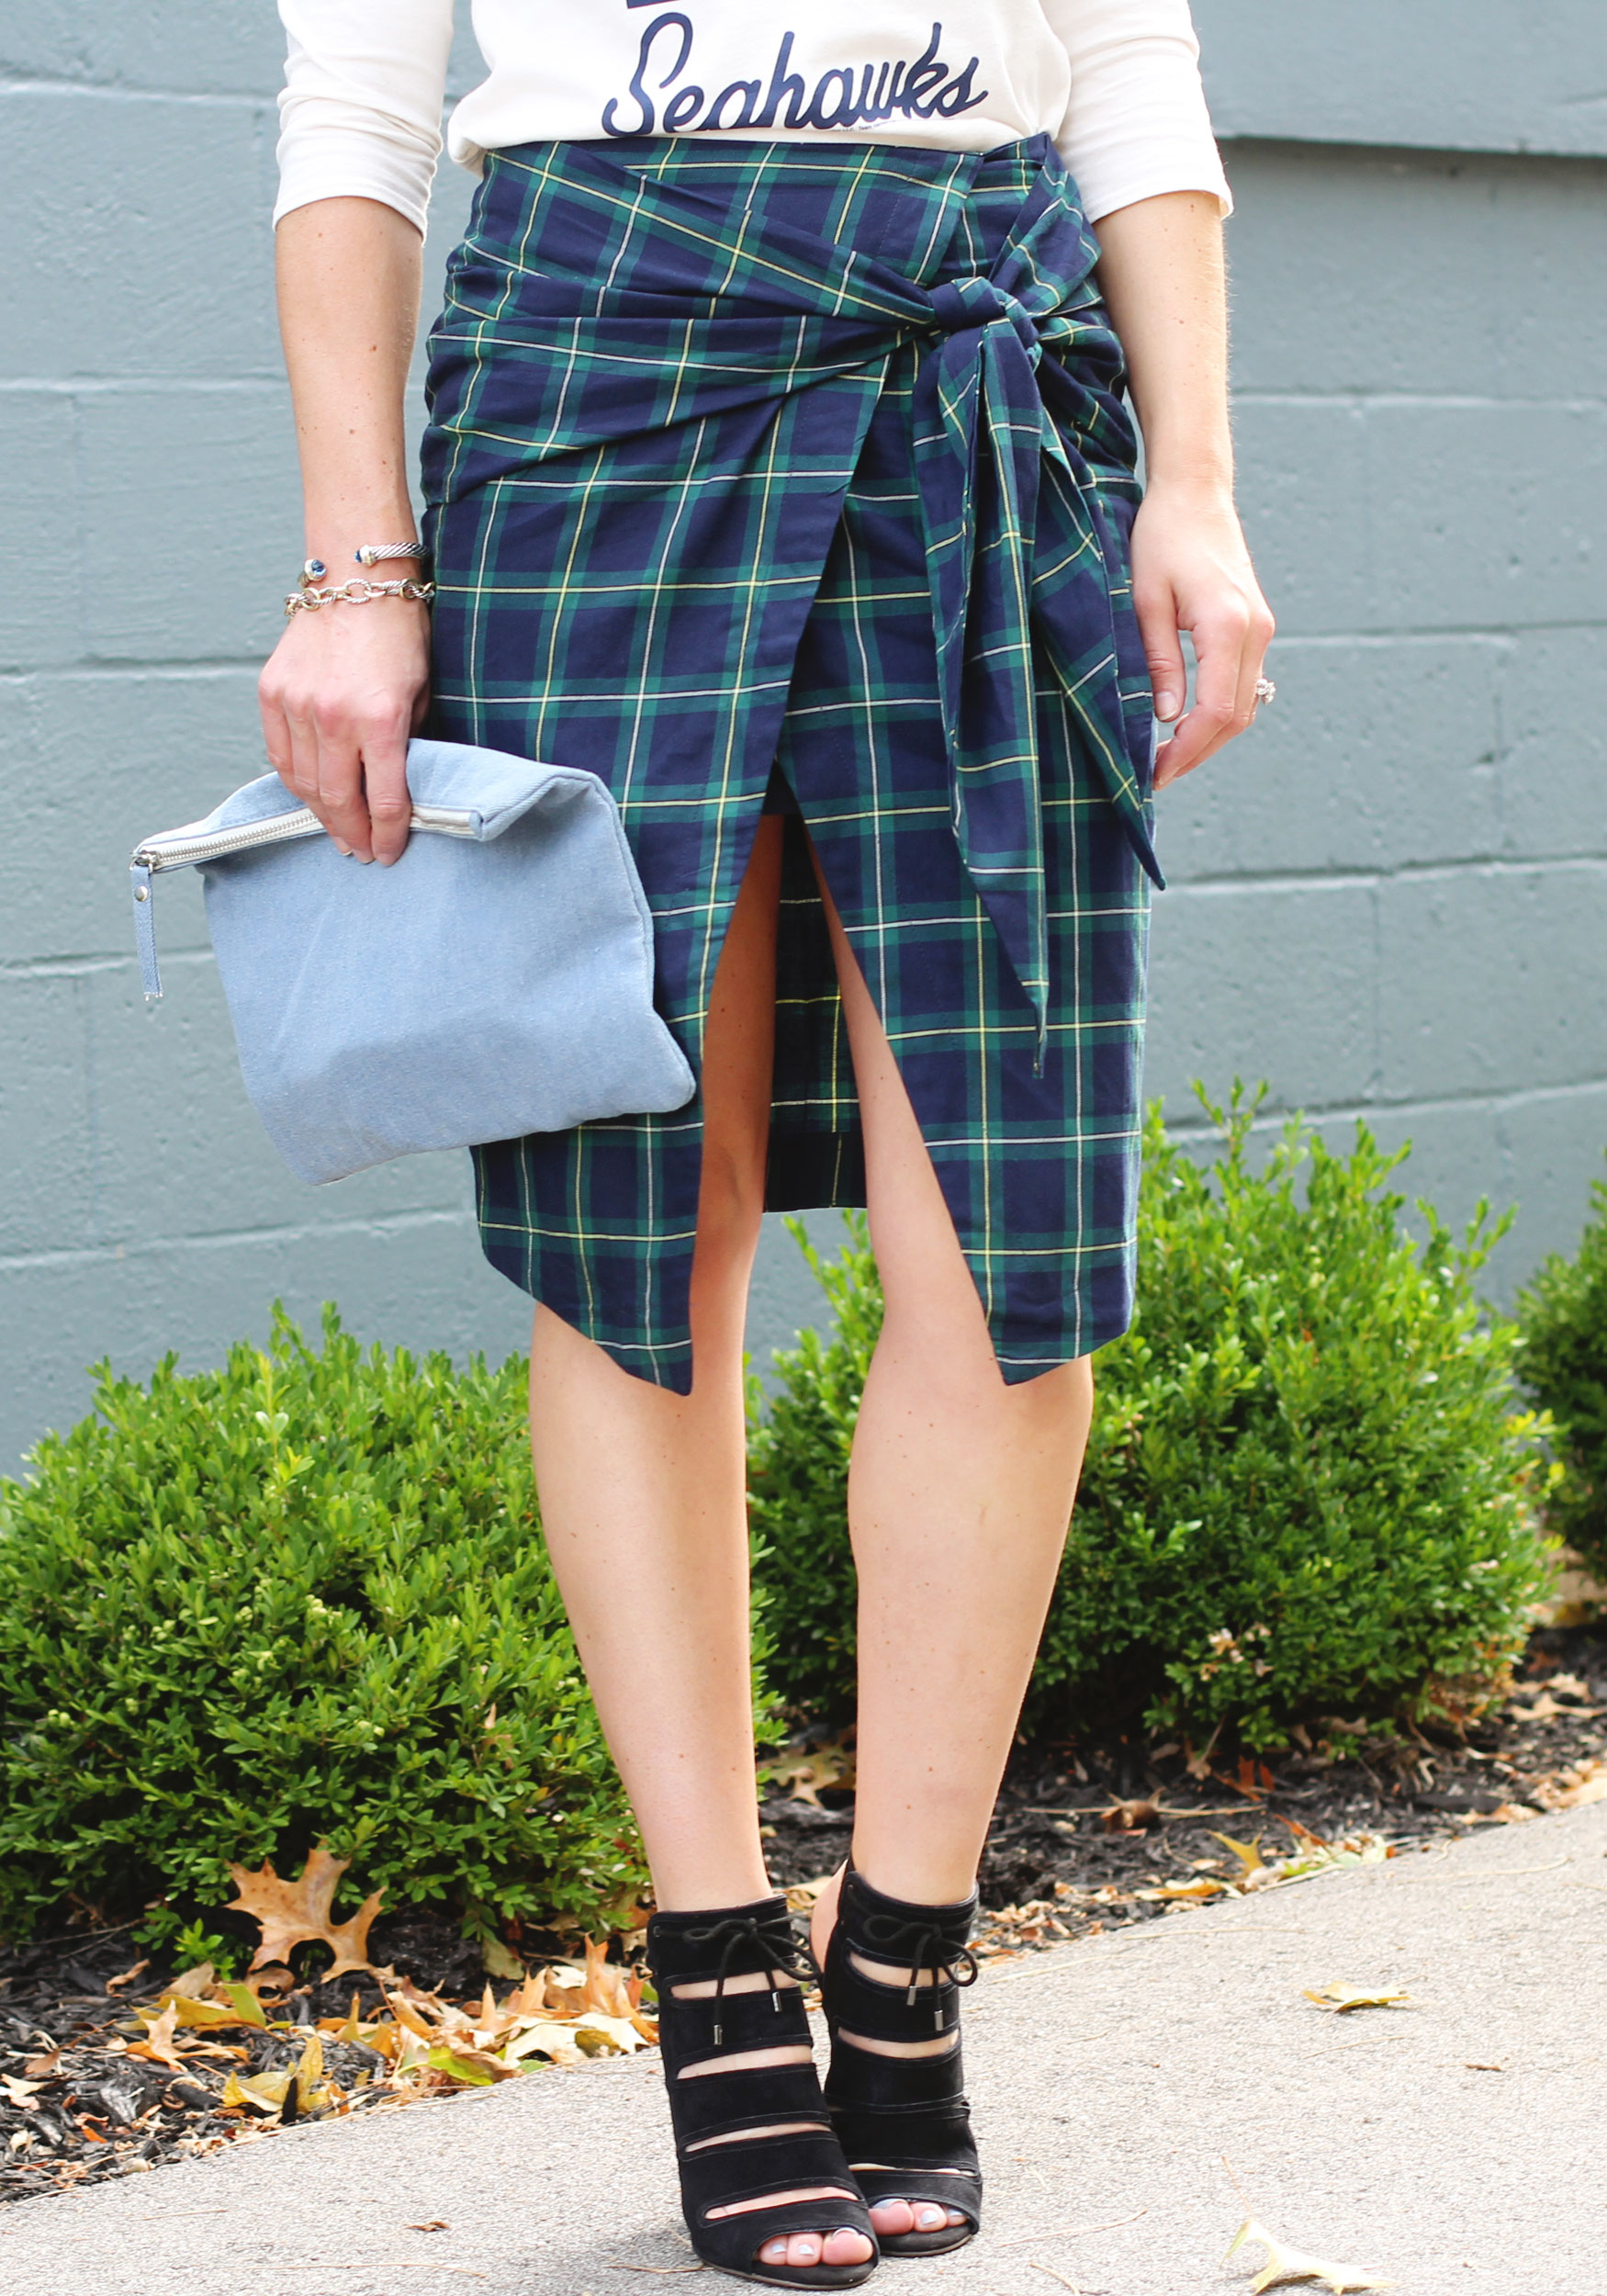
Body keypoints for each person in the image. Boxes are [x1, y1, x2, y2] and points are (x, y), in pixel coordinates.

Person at [259, 2, 1273, 2281]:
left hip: (981, 374)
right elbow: (354, 113)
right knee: (646, 1209)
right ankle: (717, 1966)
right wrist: (358, 573)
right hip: (592, 370)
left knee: (1001, 1225)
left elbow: (1125, 58)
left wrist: (1190, 479)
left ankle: (901, 1961)